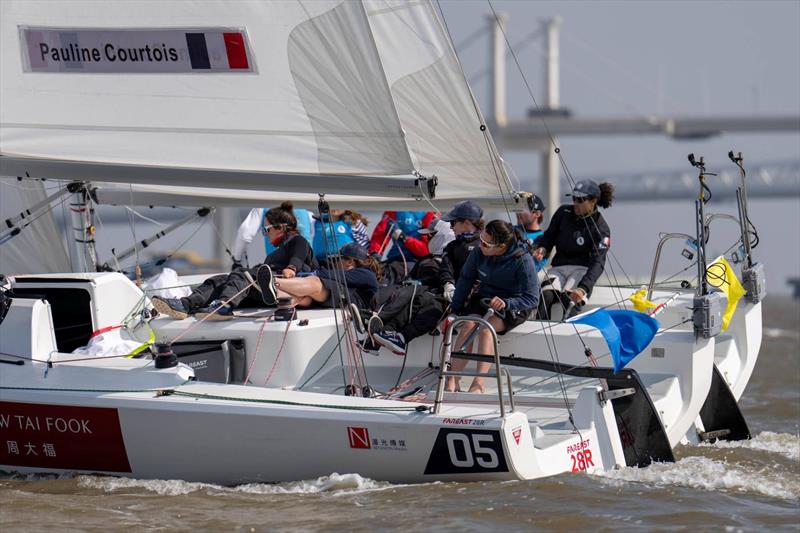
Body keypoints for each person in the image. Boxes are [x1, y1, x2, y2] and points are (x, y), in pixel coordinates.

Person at [152, 202, 316, 320]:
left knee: (241, 275)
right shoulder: (276, 252)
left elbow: (299, 256)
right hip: (264, 287)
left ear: (280, 227)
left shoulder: (298, 241)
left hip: (279, 289)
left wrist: (292, 268)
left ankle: (223, 305)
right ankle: (185, 304)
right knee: (221, 280)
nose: (265, 235)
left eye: (266, 230)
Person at [447, 220, 539, 393]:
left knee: (485, 328)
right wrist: (456, 308)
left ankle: (479, 382)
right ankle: (453, 377)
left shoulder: (523, 260)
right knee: (468, 324)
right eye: (480, 238)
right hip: (485, 299)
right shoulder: (479, 253)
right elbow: (466, 279)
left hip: (513, 303)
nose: (480, 244)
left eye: (485, 243)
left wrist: (508, 303)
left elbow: (532, 298)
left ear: (502, 247)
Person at [533, 179, 614, 319]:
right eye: (574, 198)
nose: (575, 203)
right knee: (545, 297)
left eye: (580, 200)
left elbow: (598, 262)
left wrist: (584, 287)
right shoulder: (562, 212)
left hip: (581, 269)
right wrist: (543, 249)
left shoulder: (601, 228)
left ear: (593, 201)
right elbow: (549, 236)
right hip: (558, 267)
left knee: (570, 300)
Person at [262, 242, 380, 311]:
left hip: (348, 302)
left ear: (349, 262)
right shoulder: (361, 275)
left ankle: (273, 281)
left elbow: (337, 276)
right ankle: (275, 292)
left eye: (337, 259)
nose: (334, 263)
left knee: (316, 283)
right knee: (307, 298)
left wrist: (314, 273)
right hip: (337, 300)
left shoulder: (367, 274)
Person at [232, 206, 314, 267]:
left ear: (281, 228)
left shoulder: (263, 208)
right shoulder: (307, 213)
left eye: (267, 230)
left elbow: (244, 235)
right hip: (307, 269)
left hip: (280, 270)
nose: (267, 234)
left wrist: (237, 260)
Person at [439, 200, 484, 303]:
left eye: (453, 222)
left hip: (480, 300)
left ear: (467, 223)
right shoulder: (451, 246)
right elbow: (446, 268)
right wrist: (448, 284)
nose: (450, 227)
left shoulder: (486, 244)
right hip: (454, 298)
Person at [368, 210, 435, 262]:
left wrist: (403, 238)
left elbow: (428, 250)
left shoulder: (429, 213)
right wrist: (375, 252)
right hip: (395, 257)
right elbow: (381, 233)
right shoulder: (395, 208)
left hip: (416, 261)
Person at [516, 195, 548, 272]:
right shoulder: (509, 229)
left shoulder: (544, 240)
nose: (518, 212)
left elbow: (533, 269)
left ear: (537, 214)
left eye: (523, 209)